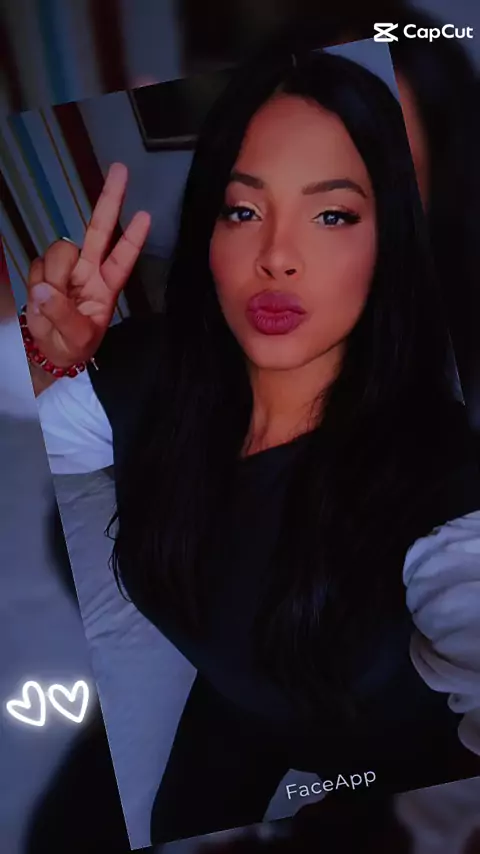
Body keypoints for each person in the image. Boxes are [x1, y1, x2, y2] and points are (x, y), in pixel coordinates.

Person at [24, 49, 480, 844]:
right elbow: (43, 437)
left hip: (392, 761)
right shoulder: (146, 366)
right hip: (228, 707)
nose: (275, 254)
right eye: (242, 210)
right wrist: (47, 353)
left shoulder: (444, 485)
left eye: (333, 215)